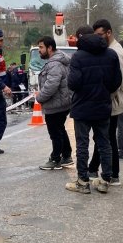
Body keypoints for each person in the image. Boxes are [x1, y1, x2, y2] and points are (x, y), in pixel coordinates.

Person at [65, 26, 121, 194]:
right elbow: (116, 81)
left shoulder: (78, 57)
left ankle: (82, 182)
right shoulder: (111, 54)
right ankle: (105, 181)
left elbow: (73, 83)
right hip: (103, 106)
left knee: (82, 144)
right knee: (104, 143)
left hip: (82, 107)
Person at [87, 19, 123, 186]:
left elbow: (114, 82)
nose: (98, 38)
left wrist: (102, 98)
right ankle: (94, 168)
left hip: (113, 101)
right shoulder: (111, 49)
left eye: (100, 35)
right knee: (104, 136)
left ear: (109, 33)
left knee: (107, 138)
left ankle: (113, 174)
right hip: (112, 100)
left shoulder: (115, 53)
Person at [35, 36, 73, 170]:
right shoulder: (59, 60)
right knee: (60, 129)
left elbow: (51, 85)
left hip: (56, 104)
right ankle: (67, 156)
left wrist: (39, 98)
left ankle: (55, 159)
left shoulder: (54, 64)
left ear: (50, 48)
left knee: (55, 132)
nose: (39, 50)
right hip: (61, 103)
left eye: (41, 47)